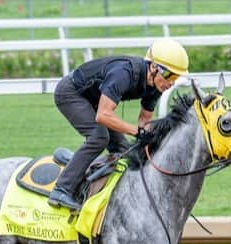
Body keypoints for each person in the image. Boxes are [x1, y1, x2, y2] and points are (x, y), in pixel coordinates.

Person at [48, 38, 189, 210]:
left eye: (176, 77)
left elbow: (144, 121)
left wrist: (152, 138)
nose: (171, 82)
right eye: (169, 75)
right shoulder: (124, 73)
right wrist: (136, 132)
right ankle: (61, 189)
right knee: (100, 137)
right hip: (71, 94)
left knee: (123, 151)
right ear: (153, 67)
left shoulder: (156, 86)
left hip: (94, 100)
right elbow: (103, 115)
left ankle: (78, 164)